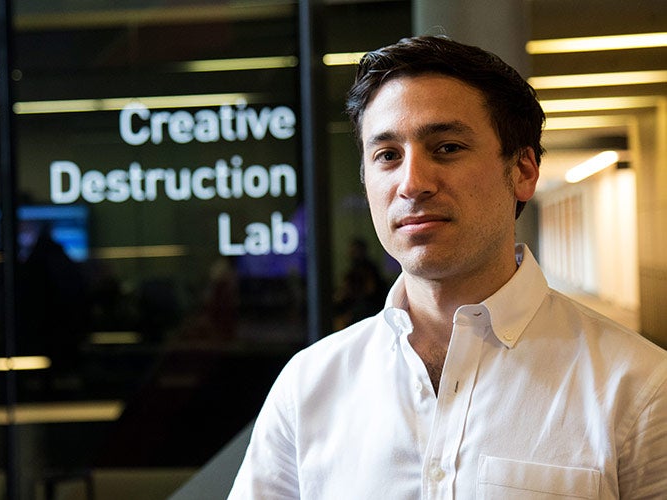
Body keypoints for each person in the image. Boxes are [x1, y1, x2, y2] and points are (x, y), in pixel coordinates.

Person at [228, 36, 667, 499]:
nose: (412, 183)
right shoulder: (309, 385)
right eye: (387, 155)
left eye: (448, 148)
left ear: (523, 171)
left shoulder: (639, 389)